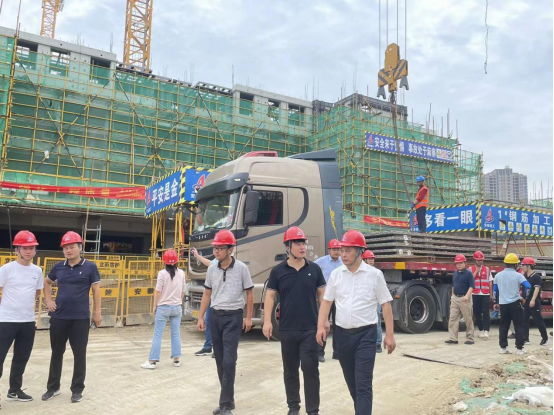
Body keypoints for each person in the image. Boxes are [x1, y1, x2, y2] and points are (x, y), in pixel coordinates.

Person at [316, 230, 396, 415]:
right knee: (352, 383)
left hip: (366, 336)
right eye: (342, 250)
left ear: (360, 251)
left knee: (363, 384)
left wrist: (390, 335)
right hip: (342, 336)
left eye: (348, 251)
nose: (343, 255)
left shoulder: (374, 275)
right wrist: (320, 326)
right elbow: (327, 301)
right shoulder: (336, 274)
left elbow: (386, 305)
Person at [263, 227, 327, 415]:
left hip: (310, 329)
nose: (302, 247)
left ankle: (313, 410)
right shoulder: (278, 271)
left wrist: (324, 320)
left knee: (310, 368)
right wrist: (267, 321)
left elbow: (323, 294)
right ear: (288, 247)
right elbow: (270, 296)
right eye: (297, 243)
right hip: (287, 329)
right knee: (290, 370)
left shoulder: (314, 269)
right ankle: (293, 407)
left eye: (303, 243)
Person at [197, 230, 254, 415]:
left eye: (220, 248)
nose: (216, 251)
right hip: (215, 317)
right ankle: (228, 400)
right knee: (220, 361)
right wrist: (201, 316)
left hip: (233, 317)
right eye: (215, 248)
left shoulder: (242, 269)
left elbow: (250, 293)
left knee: (229, 361)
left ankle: (225, 405)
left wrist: (248, 317)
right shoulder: (212, 268)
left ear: (230, 249)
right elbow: (207, 293)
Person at [42, 231, 102, 404]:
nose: (68, 250)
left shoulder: (90, 267)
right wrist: (48, 300)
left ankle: (77, 389)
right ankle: (53, 388)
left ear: (80, 247)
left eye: (72, 247)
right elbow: (47, 282)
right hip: (59, 317)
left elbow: (96, 290)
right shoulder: (58, 267)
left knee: (79, 354)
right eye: (65, 248)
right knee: (56, 353)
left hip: (80, 319)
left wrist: (97, 313)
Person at [0, 231, 43, 407]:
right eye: (24, 248)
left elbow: (37, 292)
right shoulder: (6, 269)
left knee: (21, 357)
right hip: (6, 321)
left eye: (31, 248)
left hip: (27, 321)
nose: (28, 251)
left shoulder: (37, 271)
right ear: (16, 249)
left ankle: (14, 390)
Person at [141, 249, 186, 369]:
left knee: (158, 334)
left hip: (163, 307)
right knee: (176, 334)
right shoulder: (182, 273)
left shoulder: (162, 273)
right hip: (177, 307)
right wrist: (178, 301)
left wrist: (155, 305)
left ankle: (152, 361)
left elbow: (158, 291)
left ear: (164, 261)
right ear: (176, 261)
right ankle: (177, 359)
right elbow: (183, 290)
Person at [493, 253, 531, 355]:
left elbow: (495, 291)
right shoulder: (518, 275)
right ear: (515, 264)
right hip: (515, 303)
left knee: (503, 326)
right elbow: (528, 286)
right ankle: (519, 349)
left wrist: (496, 302)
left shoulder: (498, 275)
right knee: (518, 326)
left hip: (503, 304)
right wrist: (524, 298)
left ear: (505, 263)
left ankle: (503, 348)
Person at [314, 238, 342, 361]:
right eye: (334, 249)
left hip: (339, 298)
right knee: (323, 325)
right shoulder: (321, 262)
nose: (336, 251)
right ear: (329, 250)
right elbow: (311, 269)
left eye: (338, 249)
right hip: (325, 298)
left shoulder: (343, 262)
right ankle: (320, 352)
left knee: (339, 325)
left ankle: (337, 352)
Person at [445, 254, 475, 345]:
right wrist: (452, 296)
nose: (458, 265)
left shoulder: (469, 274)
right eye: (457, 263)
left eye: (460, 263)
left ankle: (470, 338)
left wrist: (467, 296)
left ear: (465, 263)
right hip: (455, 298)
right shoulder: (455, 273)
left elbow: (472, 286)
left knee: (468, 319)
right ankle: (453, 338)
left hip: (464, 298)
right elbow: (454, 286)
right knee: (453, 318)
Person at [191, 247, 215, 358]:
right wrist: (197, 256)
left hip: (221, 302)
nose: (216, 251)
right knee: (209, 322)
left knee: (217, 325)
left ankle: (218, 349)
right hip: (212, 299)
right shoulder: (215, 263)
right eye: (215, 248)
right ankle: (208, 347)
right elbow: (209, 263)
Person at [521, 257, 549, 346]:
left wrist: (533, 300)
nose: (522, 267)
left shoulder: (536, 277)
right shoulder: (524, 276)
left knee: (538, 321)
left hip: (534, 303)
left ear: (529, 266)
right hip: (525, 302)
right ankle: (525, 339)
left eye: (523, 265)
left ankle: (545, 338)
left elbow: (537, 289)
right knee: (524, 321)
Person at [362, 250, 383, 353]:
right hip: (365, 301)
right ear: (364, 260)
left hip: (375, 301)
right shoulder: (361, 273)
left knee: (377, 322)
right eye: (369, 259)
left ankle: (378, 344)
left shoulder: (377, 273)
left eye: (372, 259)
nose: (371, 261)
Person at [469, 251, 493, 339]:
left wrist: (491, 293)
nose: (480, 262)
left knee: (486, 312)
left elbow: (490, 282)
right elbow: (470, 279)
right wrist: (476, 271)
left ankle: (486, 330)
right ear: (475, 260)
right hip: (475, 293)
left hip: (485, 293)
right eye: (478, 260)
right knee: (477, 312)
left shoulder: (487, 269)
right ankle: (481, 329)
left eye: (481, 260)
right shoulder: (470, 269)